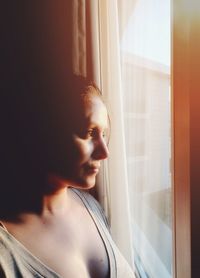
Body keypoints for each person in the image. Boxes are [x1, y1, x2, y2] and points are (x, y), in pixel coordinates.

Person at [0, 72, 135, 277]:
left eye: (104, 134)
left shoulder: (92, 207)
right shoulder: (6, 255)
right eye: (89, 132)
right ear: (44, 131)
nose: (104, 152)